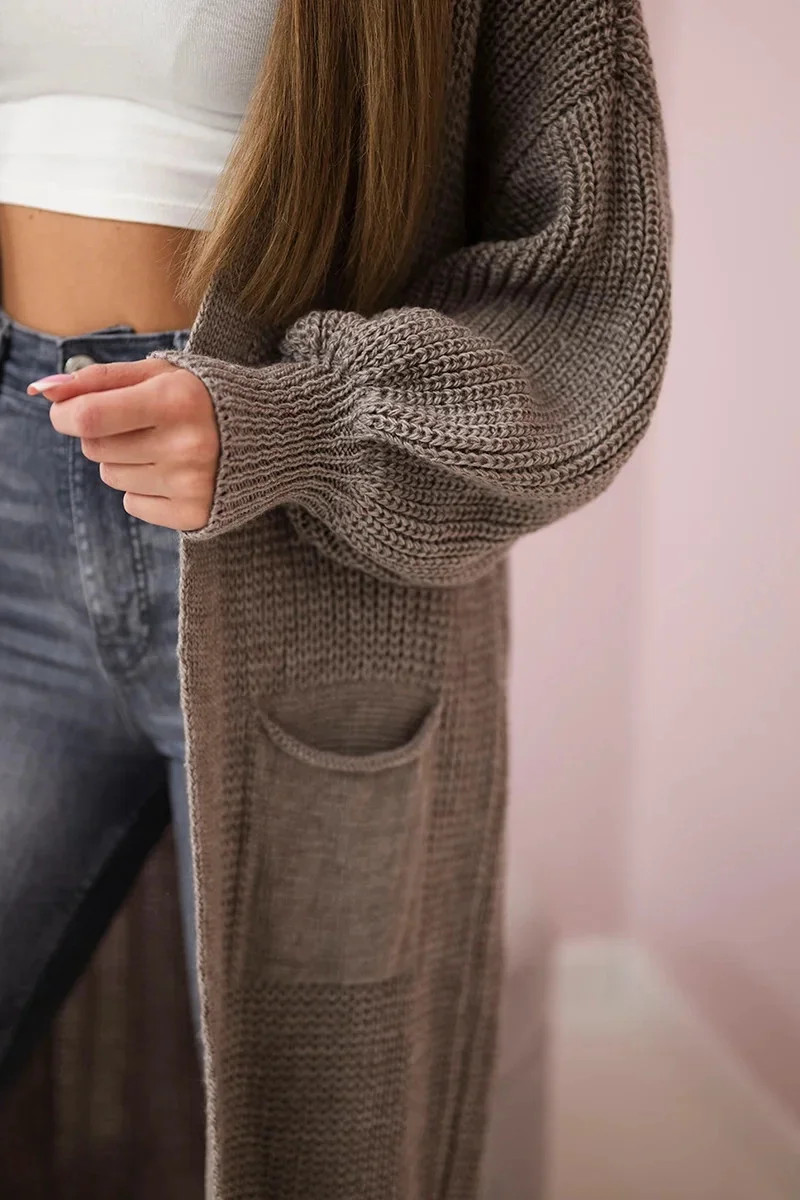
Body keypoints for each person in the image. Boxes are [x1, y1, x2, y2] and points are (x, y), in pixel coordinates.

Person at [0, 1, 671, 1196]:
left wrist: (302, 425)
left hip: (312, 571)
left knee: (322, 1125)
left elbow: (585, 306)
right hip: (12, 520)